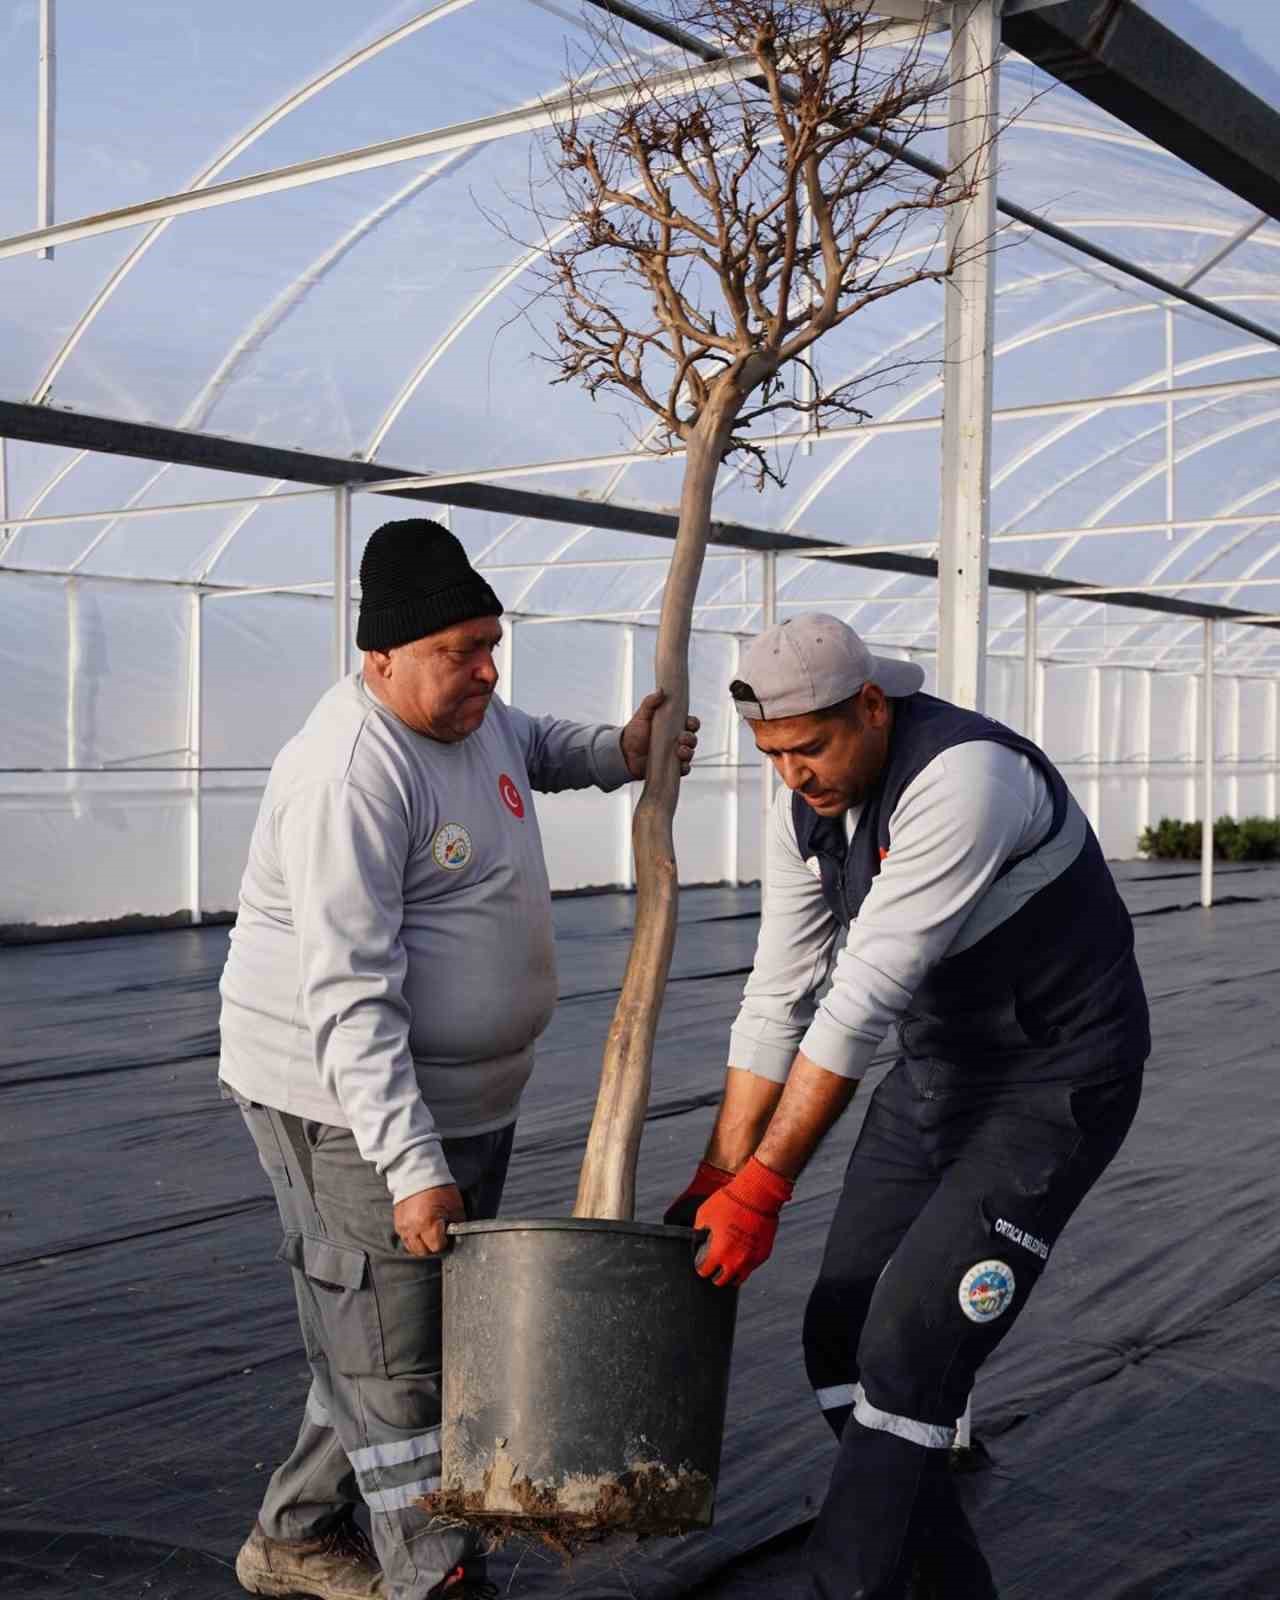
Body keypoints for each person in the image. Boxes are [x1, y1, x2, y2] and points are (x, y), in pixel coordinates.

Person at [219, 518, 697, 1600]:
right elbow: (346, 996)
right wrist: (408, 1162)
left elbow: (530, 742)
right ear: (379, 657)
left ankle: (292, 1534)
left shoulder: (472, 715)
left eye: (493, 642)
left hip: (468, 1099)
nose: (486, 669)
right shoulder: (351, 772)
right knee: (399, 1358)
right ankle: (438, 1576)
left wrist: (620, 754)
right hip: (342, 1100)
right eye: (459, 651)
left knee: (388, 1322)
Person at [666, 613, 1149, 1599]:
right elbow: (778, 992)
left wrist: (762, 1188)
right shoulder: (802, 806)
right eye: (770, 755)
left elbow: (858, 1000)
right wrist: (720, 1167)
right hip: (938, 1075)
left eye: (808, 747)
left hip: (1054, 1079)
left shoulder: (963, 780)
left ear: (872, 706)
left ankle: (844, 1583)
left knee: (909, 1348)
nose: (791, 774)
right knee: (836, 1336)